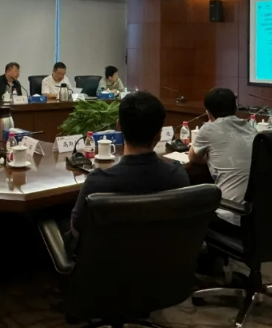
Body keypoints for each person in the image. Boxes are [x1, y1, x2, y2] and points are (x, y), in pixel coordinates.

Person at [69, 91, 189, 240]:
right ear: (159, 134)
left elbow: (76, 229)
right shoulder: (178, 176)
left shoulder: (97, 182)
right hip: (164, 253)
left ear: (118, 126)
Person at [189, 88, 257, 231]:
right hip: (258, 217)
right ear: (235, 108)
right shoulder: (251, 129)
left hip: (232, 217)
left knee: (189, 207)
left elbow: (193, 157)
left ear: (208, 112)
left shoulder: (208, 129)